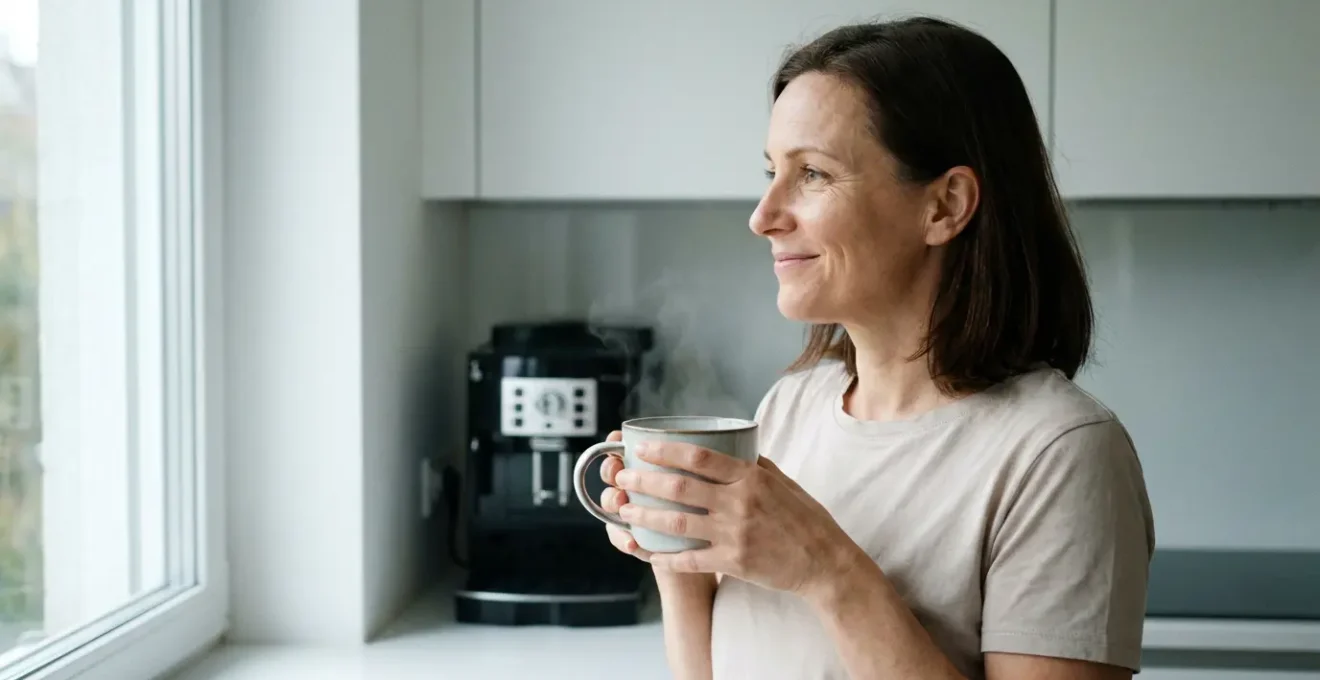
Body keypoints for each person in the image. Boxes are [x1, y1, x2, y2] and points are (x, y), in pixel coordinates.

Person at [593, 15, 1157, 680]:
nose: (764, 214)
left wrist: (828, 570)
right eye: (773, 170)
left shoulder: (1060, 454)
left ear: (945, 206)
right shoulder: (788, 410)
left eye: (813, 174)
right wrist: (677, 560)